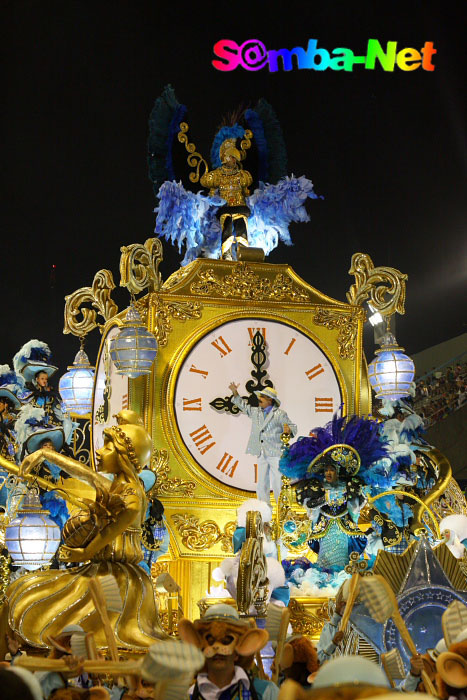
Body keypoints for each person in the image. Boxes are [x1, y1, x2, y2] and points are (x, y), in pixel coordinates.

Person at [0, 416, 167, 650]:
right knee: (21, 588)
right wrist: (45, 455)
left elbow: (103, 540)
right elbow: (84, 474)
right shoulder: (115, 487)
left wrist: (81, 553)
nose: (99, 452)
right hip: (98, 571)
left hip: (117, 581)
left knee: (32, 597)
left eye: (108, 447)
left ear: (124, 457)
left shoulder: (132, 499)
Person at [179, 603, 279, 699]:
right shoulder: (187, 696)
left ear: (241, 646)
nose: (216, 647)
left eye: (226, 640)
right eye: (210, 640)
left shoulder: (266, 692)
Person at [229, 384, 296, 504]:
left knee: (278, 482)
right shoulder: (256, 412)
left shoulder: (279, 414)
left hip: (275, 452)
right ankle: (264, 510)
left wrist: (288, 430)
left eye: (263, 397)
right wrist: (235, 392)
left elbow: (292, 426)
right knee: (261, 483)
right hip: (261, 451)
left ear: (270, 400)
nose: (259, 399)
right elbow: (243, 406)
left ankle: (282, 508)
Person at [201, 140, 253, 260]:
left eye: (235, 158)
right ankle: (226, 254)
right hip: (225, 209)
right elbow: (206, 184)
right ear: (225, 158)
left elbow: (246, 189)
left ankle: (244, 252)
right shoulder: (217, 175)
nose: (234, 160)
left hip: (240, 207)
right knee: (227, 229)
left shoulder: (242, 175)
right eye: (231, 157)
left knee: (241, 228)